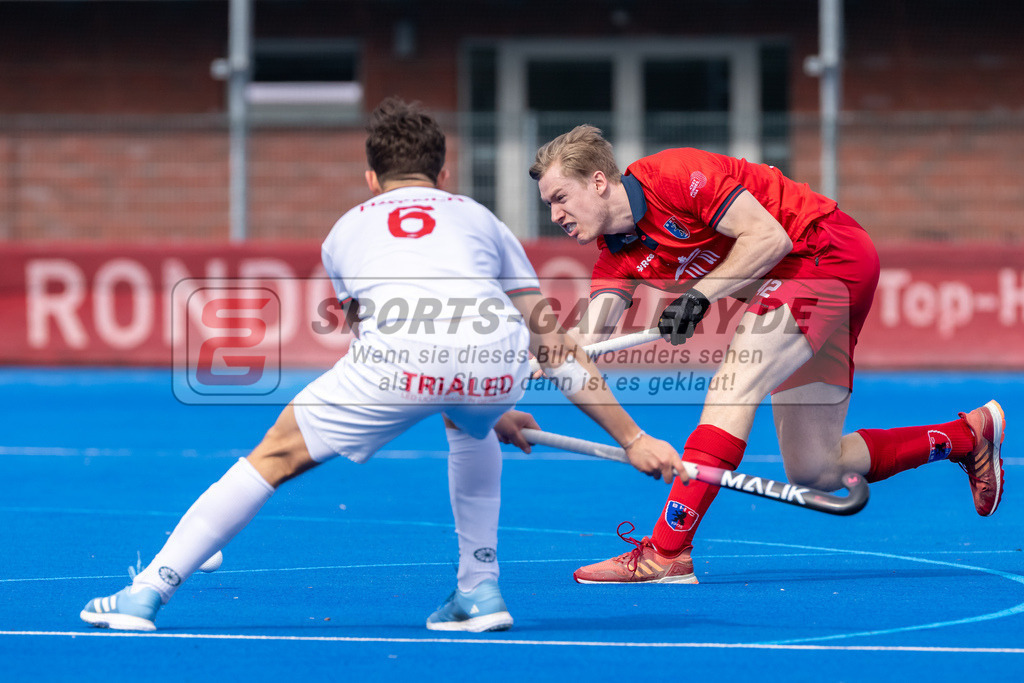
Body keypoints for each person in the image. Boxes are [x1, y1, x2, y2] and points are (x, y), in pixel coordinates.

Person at [80, 101, 684, 632]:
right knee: (466, 424)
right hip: (494, 352)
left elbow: (379, 339)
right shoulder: (480, 217)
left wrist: (458, 390)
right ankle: (479, 589)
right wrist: (630, 437)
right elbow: (552, 346)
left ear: (372, 177)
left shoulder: (344, 230)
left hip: (400, 359)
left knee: (272, 458)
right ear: (443, 174)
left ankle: (147, 591)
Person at [528, 124, 1005, 584]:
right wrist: (533, 363)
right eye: (548, 205)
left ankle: (668, 551)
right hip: (800, 282)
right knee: (816, 467)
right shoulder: (617, 257)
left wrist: (699, 297)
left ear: (597, 181)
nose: (555, 216)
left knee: (734, 384)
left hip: (824, 253)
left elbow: (769, 237)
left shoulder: (673, 176)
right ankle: (966, 436)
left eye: (560, 198)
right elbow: (585, 341)